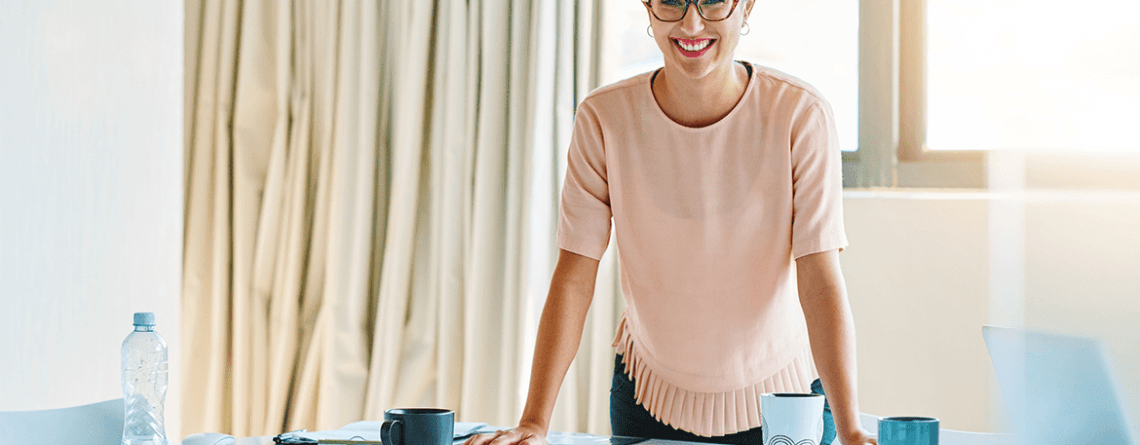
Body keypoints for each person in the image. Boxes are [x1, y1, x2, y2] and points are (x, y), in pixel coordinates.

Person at [467, 0, 875, 444]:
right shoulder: (603, 119)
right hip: (649, 401)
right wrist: (534, 421)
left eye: (714, 0)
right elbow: (574, 278)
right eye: (671, 1)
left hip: (788, 403)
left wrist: (852, 429)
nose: (691, 22)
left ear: (747, 6)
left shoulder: (801, 114)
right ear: (647, 6)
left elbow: (819, 278)